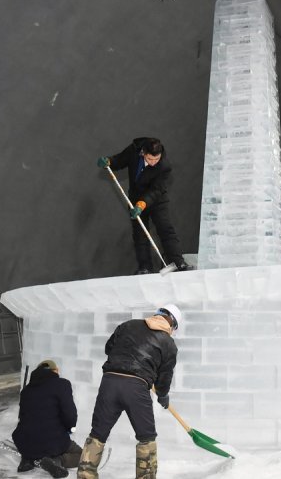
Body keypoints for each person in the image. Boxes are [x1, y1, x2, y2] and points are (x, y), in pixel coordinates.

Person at [77, 304, 182, 479]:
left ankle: (85, 475)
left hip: (109, 383)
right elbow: (165, 376)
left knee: (97, 434)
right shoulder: (169, 344)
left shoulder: (129, 325)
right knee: (146, 438)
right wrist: (163, 395)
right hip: (136, 388)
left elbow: (108, 348)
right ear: (172, 324)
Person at [98, 138, 193, 275]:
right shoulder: (134, 151)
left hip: (156, 200)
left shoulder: (164, 166)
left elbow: (156, 190)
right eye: (150, 159)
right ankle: (145, 267)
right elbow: (120, 160)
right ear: (143, 153)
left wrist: (142, 204)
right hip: (135, 198)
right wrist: (109, 161)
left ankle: (179, 263)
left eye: (157, 159)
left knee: (165, 229)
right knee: (140, 234)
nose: (154, 163)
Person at [12, 360, 81, 478]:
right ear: (54, 371)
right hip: (52, 440)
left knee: (34, 442)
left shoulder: (26, 390)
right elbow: (70, 414)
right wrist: (70, 427)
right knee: (82, 455)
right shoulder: (62, 384)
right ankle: (57, 461)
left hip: (23, 441)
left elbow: (22, 417)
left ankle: (29, 459)